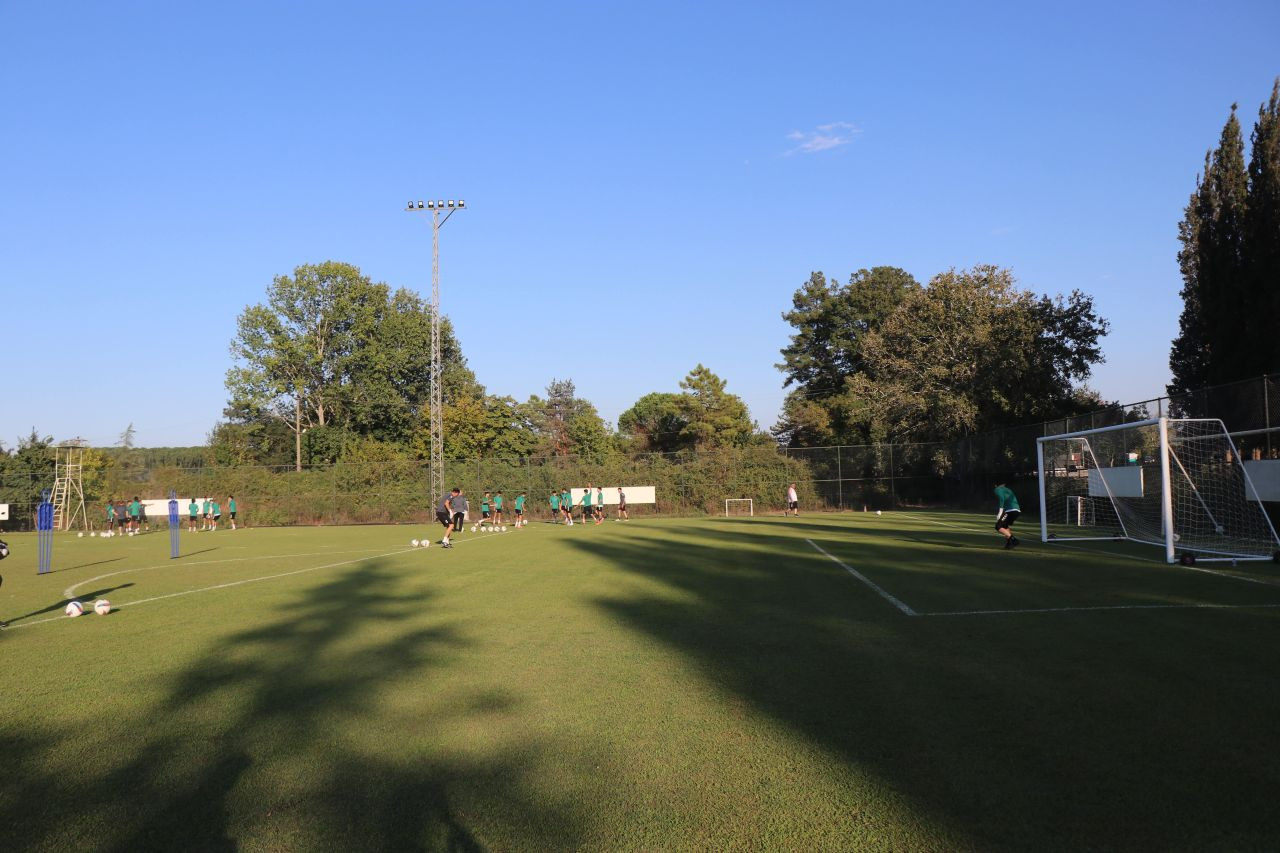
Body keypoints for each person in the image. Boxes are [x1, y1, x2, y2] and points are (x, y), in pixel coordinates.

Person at [994, 479, 1021, 549]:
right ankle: (1009, 543)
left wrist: (1000, 512)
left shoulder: (997, 489)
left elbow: (1002, 499)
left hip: (1010, 511)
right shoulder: (1008, 490)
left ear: (996, 485)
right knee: (1005, 526)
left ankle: (1013, 539)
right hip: (1017, 510)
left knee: (998, 526)